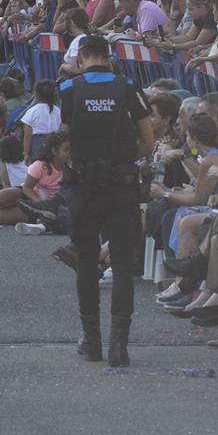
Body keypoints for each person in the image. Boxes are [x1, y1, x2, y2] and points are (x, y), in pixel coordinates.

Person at [58, 34, 154, 367]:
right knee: (124, 265)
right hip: (122, 185)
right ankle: (119, 344)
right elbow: (149, 142)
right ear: (108, 58)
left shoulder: (69, 90)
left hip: (85, 186)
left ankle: (92, 339)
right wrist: (124, 159)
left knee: (86, 263)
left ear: (81, 59)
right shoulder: (128, 88)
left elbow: (63, 139)